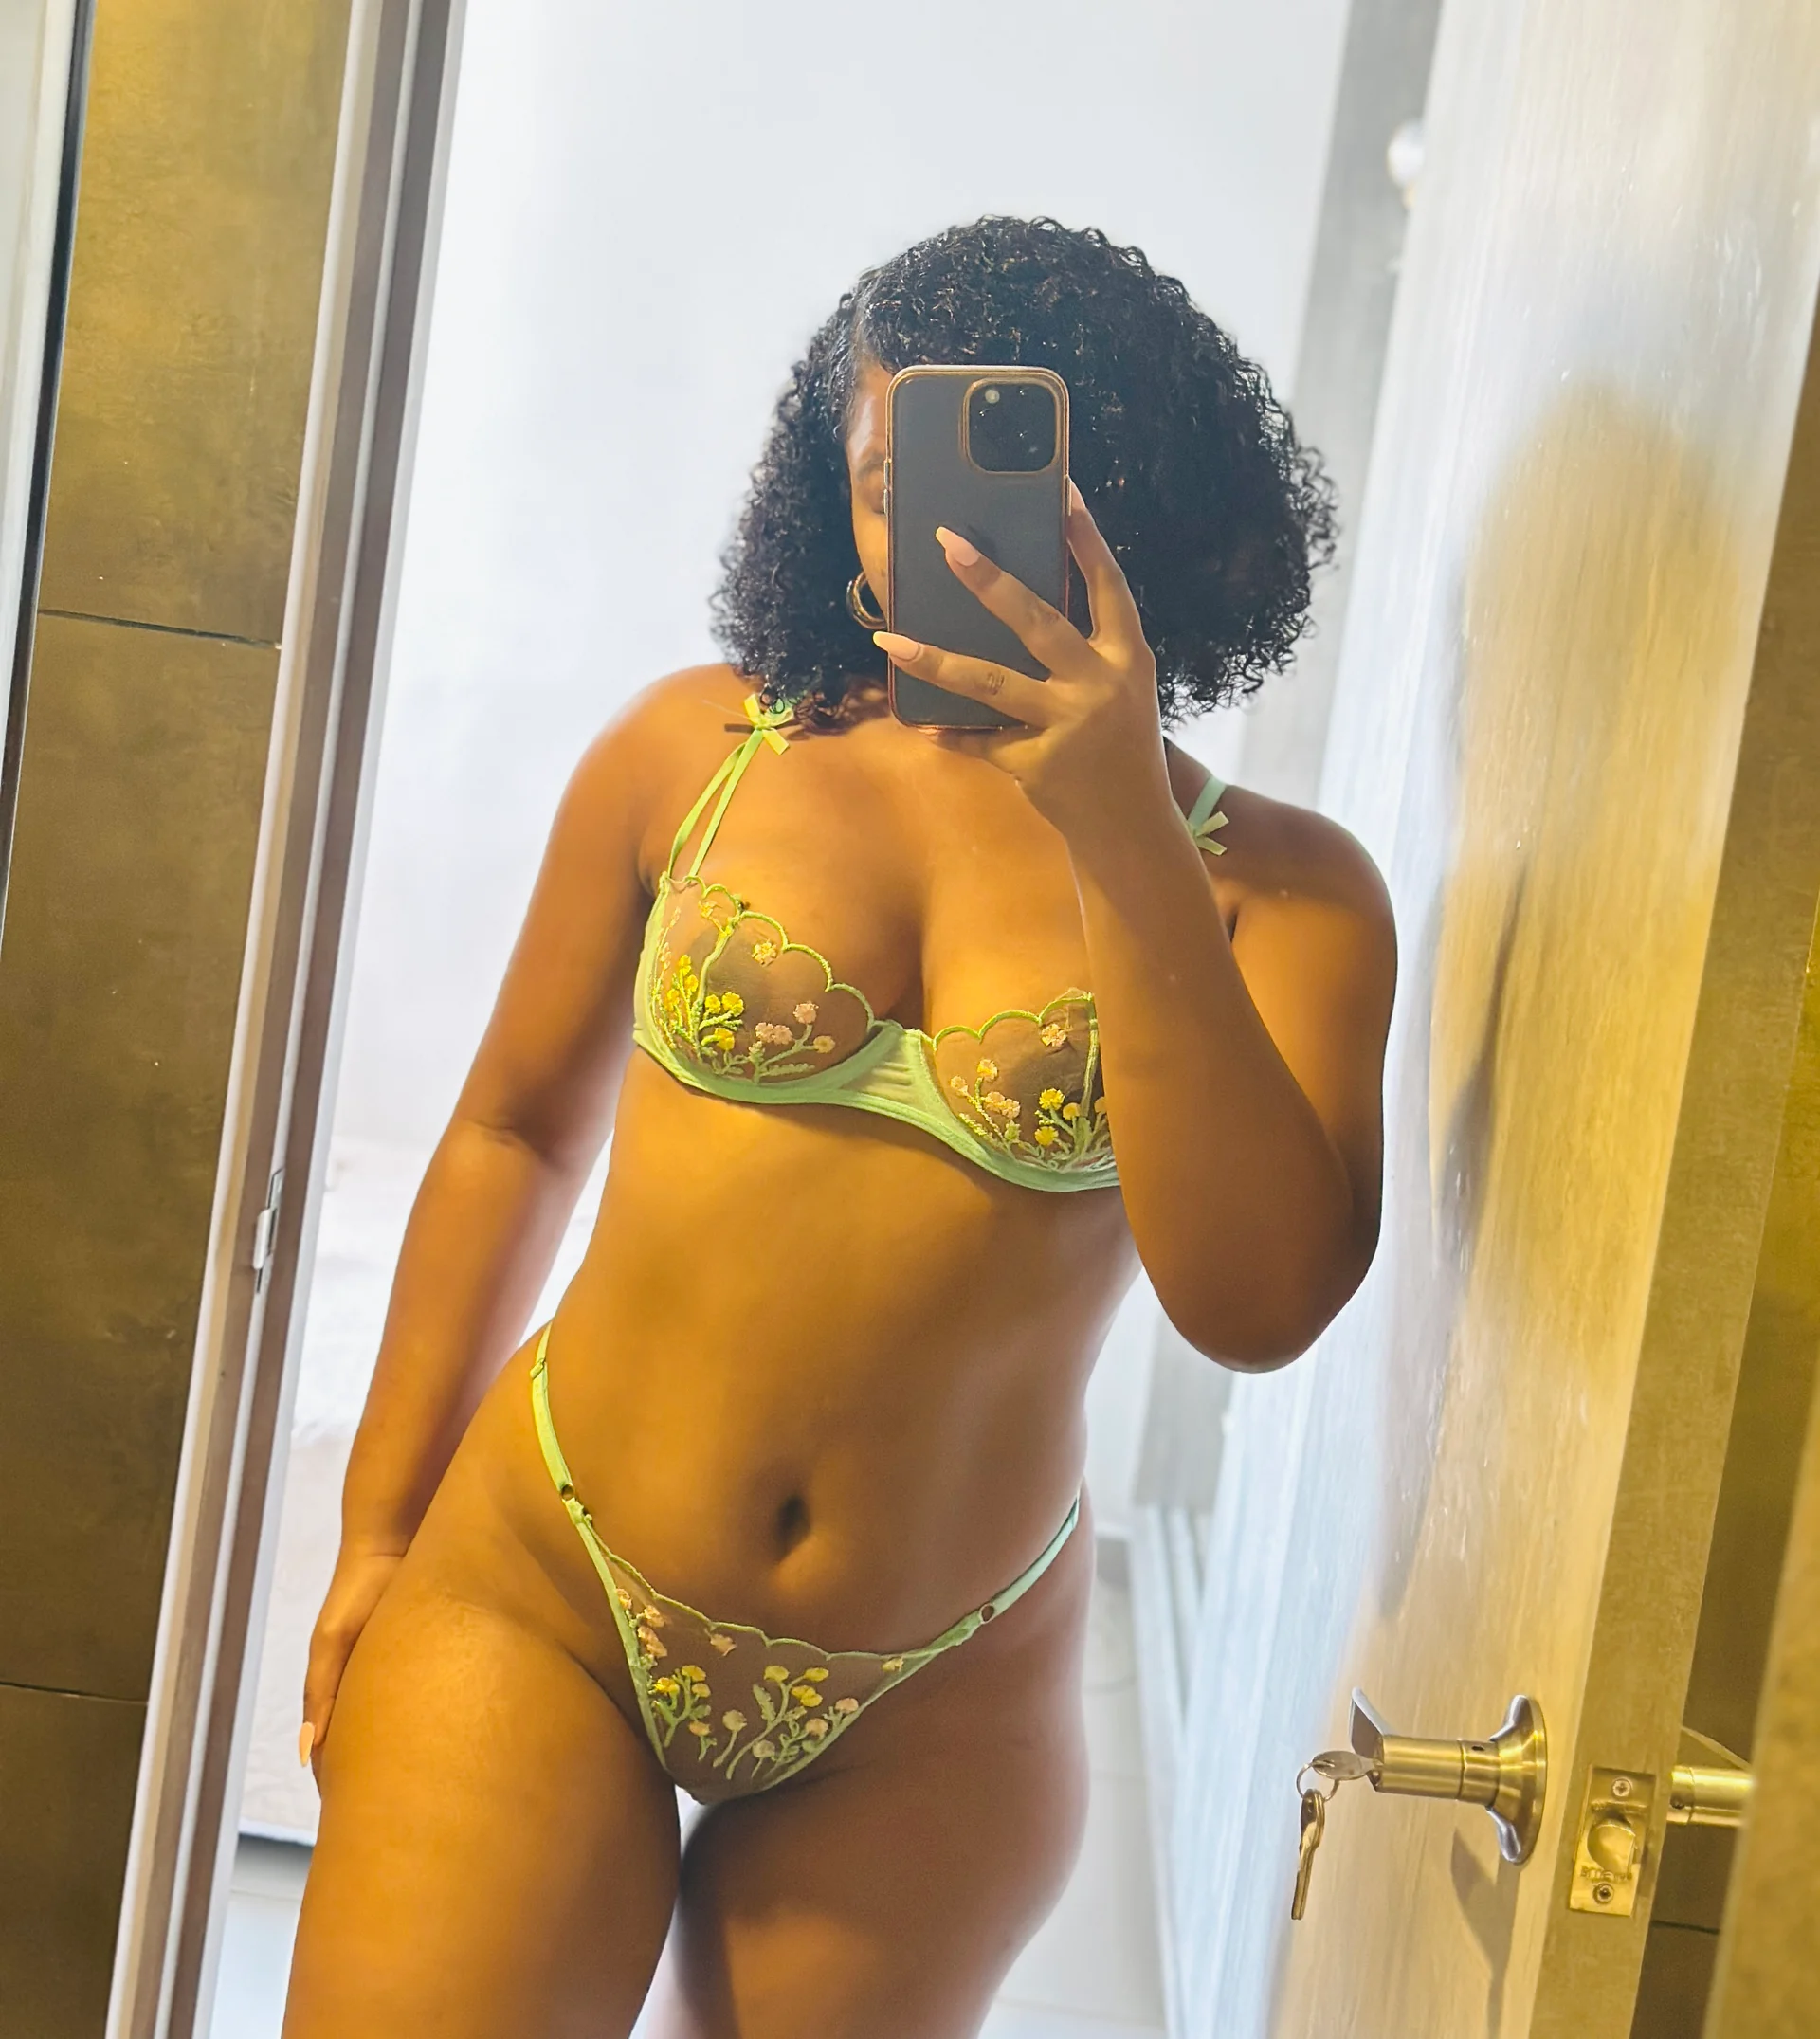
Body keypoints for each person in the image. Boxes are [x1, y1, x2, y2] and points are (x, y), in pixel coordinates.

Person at [281, 215, 1396, 2039]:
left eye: (1011, 485)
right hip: (552, 1592)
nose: (940, 540)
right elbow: (513, 1135)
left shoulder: (1287, 894)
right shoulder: (695, 750)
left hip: (938, 1705)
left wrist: (1122, 827)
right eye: (888, 481)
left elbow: (1258, 1306)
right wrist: (375, 1528)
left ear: (1139, 502)